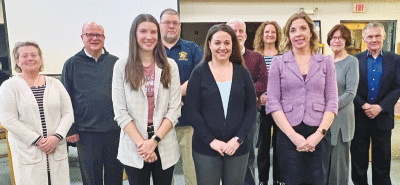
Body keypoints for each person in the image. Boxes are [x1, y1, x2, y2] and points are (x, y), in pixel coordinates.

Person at [265, 12, 338, 185]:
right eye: (293, 30)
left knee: (318, 180)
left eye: (303, 28)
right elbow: (273, 102)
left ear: (311, 33)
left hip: (319, 132)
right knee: (290, 180)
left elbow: (332, 101)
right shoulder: (278, 63)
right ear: (288, 36)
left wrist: (318, 135)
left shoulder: (326, 61)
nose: (298, 34)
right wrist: (293, 136)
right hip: (288, 132)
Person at [112, 14, 181, 185]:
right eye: (143, 31)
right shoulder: (122, 66)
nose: (149, 37)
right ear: (134, 34)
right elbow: (120, 112)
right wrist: (143, 145)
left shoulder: (170, 65)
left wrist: (155, 141)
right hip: (135, 145)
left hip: (164, 143)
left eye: (153, 32)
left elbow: (174, 110)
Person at [186, 24, 257, 185]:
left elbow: (251, 109)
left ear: (233, 45)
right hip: (206, 148)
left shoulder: (242, 72)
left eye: (227, 42)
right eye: (217, 42)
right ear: (209, 44)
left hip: (237, 147)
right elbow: (192, 111)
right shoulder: (199, 72)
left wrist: (238, 139)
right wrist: (211, 141)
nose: (222, 47)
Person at [0, 41, 74, 185]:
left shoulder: (55, 84)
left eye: (34, 55)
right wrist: (38, 140)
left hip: (55, 147)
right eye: (24, 55)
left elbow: (68, 113)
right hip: (28, 150)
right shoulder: (9, 86)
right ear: (17, 61)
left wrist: (56, 137)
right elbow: (8, 119)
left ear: (40, 59)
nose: (30, 58)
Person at [61, 22, 123, 185]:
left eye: (99, 35)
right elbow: (65, 99)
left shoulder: (116, 63)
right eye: (90, 34)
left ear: (104, 38)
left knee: (115, 176)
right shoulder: (71, 64)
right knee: (91, 178)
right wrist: (70, 128)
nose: (94, 38)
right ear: (82, 37)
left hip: (115, 130)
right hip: (86, 133)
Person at [351, 22, 400, 185]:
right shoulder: (354, 61)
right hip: (359, 117)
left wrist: (380, 107)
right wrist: (363, 105)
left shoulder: (395, 60)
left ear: (384, 36)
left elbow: (397, 87)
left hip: (383, 118)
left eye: (377, 35)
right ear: (364, 38)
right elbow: (350, 88)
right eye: (370, 36)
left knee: (382, 162)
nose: (374, 39)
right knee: (358, 162)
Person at [159, 8, 202, 185]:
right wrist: (172, 100)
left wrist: (175, 96)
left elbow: (200, 77)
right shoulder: (152, 49)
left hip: (188, 122)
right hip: (160, 122)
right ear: (160, 25)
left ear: (180, 26)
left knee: (191, 167)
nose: (171, 26)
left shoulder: (191, 49)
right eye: (167, 22)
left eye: (175, 23)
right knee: (164, 168)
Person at [226, 18, 268, 185]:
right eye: (234, 31)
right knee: (227, 155)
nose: (238, 34)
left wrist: (243, 92)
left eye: (241, 30)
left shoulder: (256, 57)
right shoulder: (220, 56)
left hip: (249, 115)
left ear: (245, 34)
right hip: (224, 116)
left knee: (248, 155)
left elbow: (264, 81)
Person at [326, 24, 359, 185]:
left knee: (338, 165)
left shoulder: (351, 62)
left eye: (341, 37)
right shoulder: (325, 60)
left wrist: (328, 108)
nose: (336, 40)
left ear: (347, 41)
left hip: (341, 119)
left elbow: (350, 93)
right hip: (322, 118)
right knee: (324, 162)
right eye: (333, 37)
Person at [253, 21, 283, 185]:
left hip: (280, 107)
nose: (270, 35)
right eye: (267, 32)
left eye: (273, 32)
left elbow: (286, 81)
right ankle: (263, 180)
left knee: (280, 144)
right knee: (263, 145)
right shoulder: (256, 56)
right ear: (262, 35)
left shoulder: (284, 55)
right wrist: (260, 96)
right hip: (262, 107)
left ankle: (278, 179)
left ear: (277, 35)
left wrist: (274, 96)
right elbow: (255, 79)